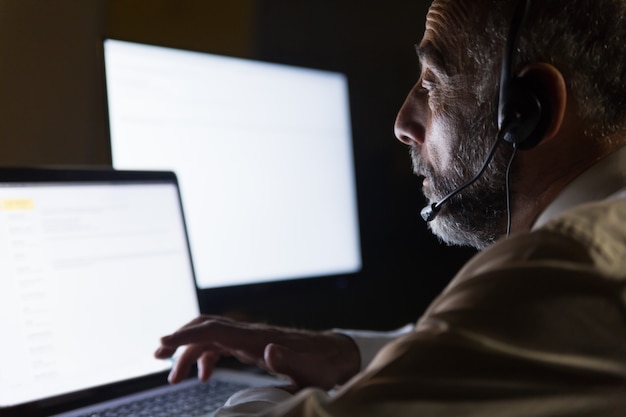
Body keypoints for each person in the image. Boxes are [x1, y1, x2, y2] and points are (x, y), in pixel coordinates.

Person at [154, 0, 626, 415]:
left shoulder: (566, 267)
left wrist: (246, 397)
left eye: (432, 82)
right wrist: (349, 353)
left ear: (530, 109)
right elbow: (509, 354)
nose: (402, 122)